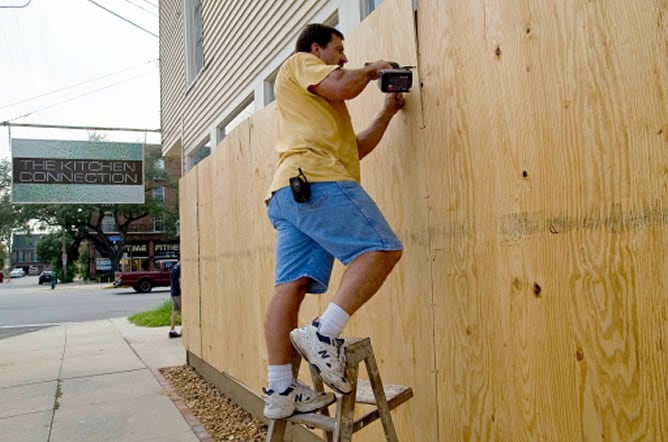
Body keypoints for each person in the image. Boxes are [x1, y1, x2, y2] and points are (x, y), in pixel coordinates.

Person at [262, 23, 405, 420]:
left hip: (290, 194)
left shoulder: (320, 109)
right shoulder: (299, 64)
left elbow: (356, 148)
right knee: (382, 248)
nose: (343, 58)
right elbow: (343, 82)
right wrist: (374, 68)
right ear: (316, 49)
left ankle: (281, 389)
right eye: (338, 50)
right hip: (315, 182)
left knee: (289, 289)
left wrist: (388, 111)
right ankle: (323, 334)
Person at [169, 260, 182, 338]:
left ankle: (172, 331)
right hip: (178, 292)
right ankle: (184, 330)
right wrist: (182, 290)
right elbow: (180, 279)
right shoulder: (180, 267)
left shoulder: (175, 266)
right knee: (184, 311)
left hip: (173, 292)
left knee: (175, 311)